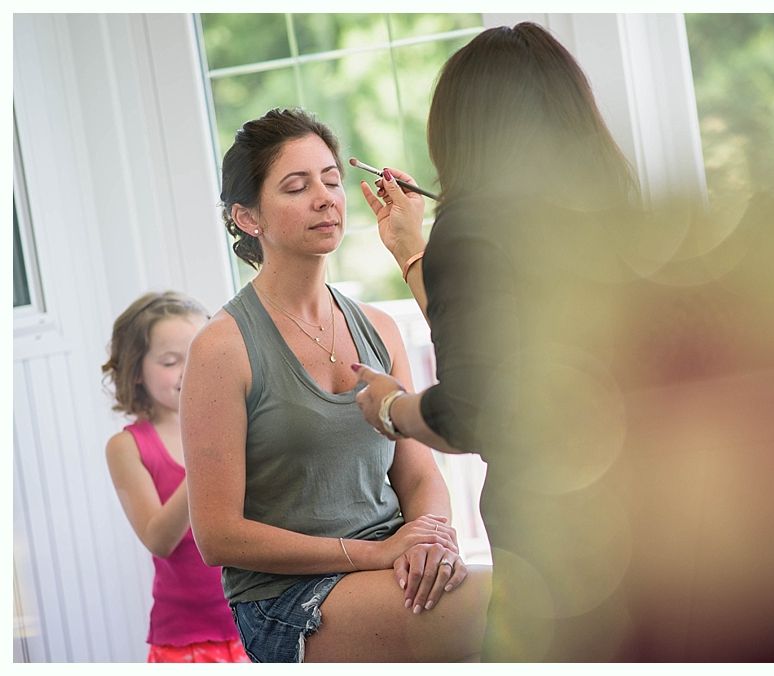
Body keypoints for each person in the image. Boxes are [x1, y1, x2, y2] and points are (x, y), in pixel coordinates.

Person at [353, 22, 642, 660]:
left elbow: (474, 410)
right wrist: (413, 254)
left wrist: (390, 406)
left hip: (555, 544)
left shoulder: (471, 225)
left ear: (461, 128)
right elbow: (503, 352)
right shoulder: (617, 213)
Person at [180, 108, 491, 663]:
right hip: (286, 598)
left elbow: (420, 473)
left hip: (388, 563)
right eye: (297, 187)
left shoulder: (379, 328)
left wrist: (430, 537)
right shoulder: (221, 348)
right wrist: (382, 554)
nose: (325, 197)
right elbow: (218, 535)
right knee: (508, 614)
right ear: (247, 218)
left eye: (330, 179)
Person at [102, 292, 250, 663]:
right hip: (187, 640)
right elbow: (158, 539)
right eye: (171, 361)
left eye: (199, 356)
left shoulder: (241, 420)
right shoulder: (128, 447)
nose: (189, 370)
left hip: (258, 617)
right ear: (136, 371)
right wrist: (206, 458)